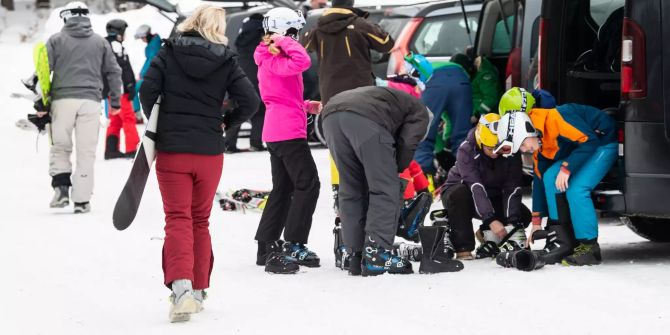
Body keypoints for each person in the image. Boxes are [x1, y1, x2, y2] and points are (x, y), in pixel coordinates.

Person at [139, 5, 260, 322]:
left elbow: (147, 89)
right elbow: (250, 101)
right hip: (209, 151)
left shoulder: (169, 52)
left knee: (177, 218)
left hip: (173, 149)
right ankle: (199, 290)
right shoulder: (226, 58)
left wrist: (158, 121)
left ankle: (181, 291)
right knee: (199, 220)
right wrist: (226, 122)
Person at [303, 0, 394, 267]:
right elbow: (387, 43)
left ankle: (352, 250)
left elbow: (302, 48)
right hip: (363, 105)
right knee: (375, 177)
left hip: (331, 106)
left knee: (348, 180)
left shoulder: (318, 29)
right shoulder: (359, 25)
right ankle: (376, 248)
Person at [496, 88, 618, 266]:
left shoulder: (556, 118)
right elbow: (538, 180)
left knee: (577, 190)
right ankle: (563, 239)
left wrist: (567, 168)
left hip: (602, 142)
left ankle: (589, 247)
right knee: (550, 176)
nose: (524, 151)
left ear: (526, 131)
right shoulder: (538, 142)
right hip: (584, 148)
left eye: (522, 145)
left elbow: (589, 140)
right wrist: (537, 221)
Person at [322, 86, 430, 276]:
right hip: (365, 119)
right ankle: (376, 255)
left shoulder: (393, 102)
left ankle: (356, 255)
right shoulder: (421, 114)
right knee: (385, 188)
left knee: (351, 188)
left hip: (331, 117)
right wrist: (393, 169)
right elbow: (407, 143)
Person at [253, 7, 322, 275]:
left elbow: (279, 95)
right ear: (286, 30)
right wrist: (282, 39)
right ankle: (294, 243)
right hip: (287, 132)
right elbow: (303, 62)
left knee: (283, 188)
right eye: (295, 31)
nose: (299, 37)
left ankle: (265, 246)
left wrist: (305, 105)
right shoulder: (274, 55)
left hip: (279, 128)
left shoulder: (270, 58)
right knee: (308, 184)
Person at [43, 1, 122, 213]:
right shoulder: (100, 42)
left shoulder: (56, 41)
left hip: (62, 101)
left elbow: (43, 73)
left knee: (60, 146)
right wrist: (115, 101)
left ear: (66, 17)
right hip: (91, 102)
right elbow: (114, 72)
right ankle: (82, 201)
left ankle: (61, 188)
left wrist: (42, 103)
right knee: (86, 152)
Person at [440, 113, 531, 260]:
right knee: (460, 193)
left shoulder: (511, 152)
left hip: (491, 194)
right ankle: (463, 245)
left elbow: (512, 188)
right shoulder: (466, 150)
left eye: (498, 148)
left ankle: (486, 233)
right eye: (490, 149)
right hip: (461, 192)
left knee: (523, 215)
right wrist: (490, 219)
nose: (495, 153)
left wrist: (512, 224)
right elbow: (475, 186)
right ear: (481, 142)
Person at [415, 53, 474, 175]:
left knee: (424, 132)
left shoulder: (422, 71)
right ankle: (466, 174)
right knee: (462, 134)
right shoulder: (458, 68)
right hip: (461, 81)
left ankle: (425, 174)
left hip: (434, 82)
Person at [225, 13, 266, 152]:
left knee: (238, 108)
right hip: (257, 75)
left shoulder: (241, 38)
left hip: (240, 76)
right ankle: (256, 143)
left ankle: (229, 144)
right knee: (259, 110)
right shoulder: (262, 35)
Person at [103, 19, 140, 160]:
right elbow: (121, 68)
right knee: (128, 118)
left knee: (116, 120)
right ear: (119, 32)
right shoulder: (115, 46)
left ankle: (111, 150)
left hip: (112, 91)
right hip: (119, 91)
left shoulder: (106, 45)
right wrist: (129, 86)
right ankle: (133, 149)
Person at [133, 24, 162, 123]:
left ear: (146, 36)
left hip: (153, 77)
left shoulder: (153, 47)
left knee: (134, 89)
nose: (142, 40)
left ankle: (137, 116)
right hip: (153, 75)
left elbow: (151, 62)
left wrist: (143, 75)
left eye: (142, 38)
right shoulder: (154, 43)